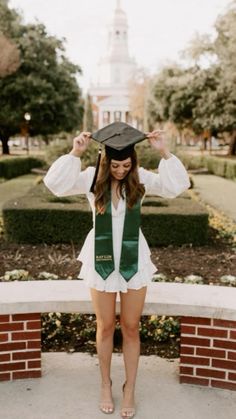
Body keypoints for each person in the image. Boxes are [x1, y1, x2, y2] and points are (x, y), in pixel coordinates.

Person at [43, 124, 190, 418]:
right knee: (106, 325)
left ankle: (130, 388)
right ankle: (105, 384)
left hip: (134, 259)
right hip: (101, 258)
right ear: (104, 160)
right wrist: (75, 152)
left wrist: (165, 151)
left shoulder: (141, 178)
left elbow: (177, 186)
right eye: (115, 165)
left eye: (126, 165)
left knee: (132, 327)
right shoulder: (90, 179)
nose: (121, 170)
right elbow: (54, 184)